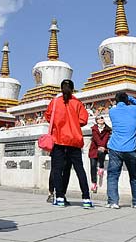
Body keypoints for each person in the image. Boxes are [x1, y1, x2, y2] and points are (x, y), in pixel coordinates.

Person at [43, 80, 92, 209]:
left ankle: (59, 197)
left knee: (57, 170)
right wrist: (73, 123)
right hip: (74, 140)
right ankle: (86, 198)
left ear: (61, 89)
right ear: (73, 89)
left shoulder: (55, 102)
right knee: (79, 170)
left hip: (59, 140)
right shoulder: (77, 103)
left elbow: (48, 117)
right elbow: (84, 120)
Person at [105, 92, 136, 209]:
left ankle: (113, 201)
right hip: (130, 148)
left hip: (115, 147)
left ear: (116, 101)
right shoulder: (134, 110)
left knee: (113, 175)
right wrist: (131, 98)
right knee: (134, 176)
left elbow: (116, 106)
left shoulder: (112, 111)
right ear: (127, 100)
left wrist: (123, 100)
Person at [88, 115, 111, 194]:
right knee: (93, 165)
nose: (100, 119)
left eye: (102, 118)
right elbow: (96, 138)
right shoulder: (94, 129)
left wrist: (102, 147)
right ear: (96, 121)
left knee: (101, 152)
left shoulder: (107, 129)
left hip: (103, 148)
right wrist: (100, 146)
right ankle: (94, 183)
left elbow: (106, 139)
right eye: (98, 118)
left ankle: (101, 167)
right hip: (94, 149)